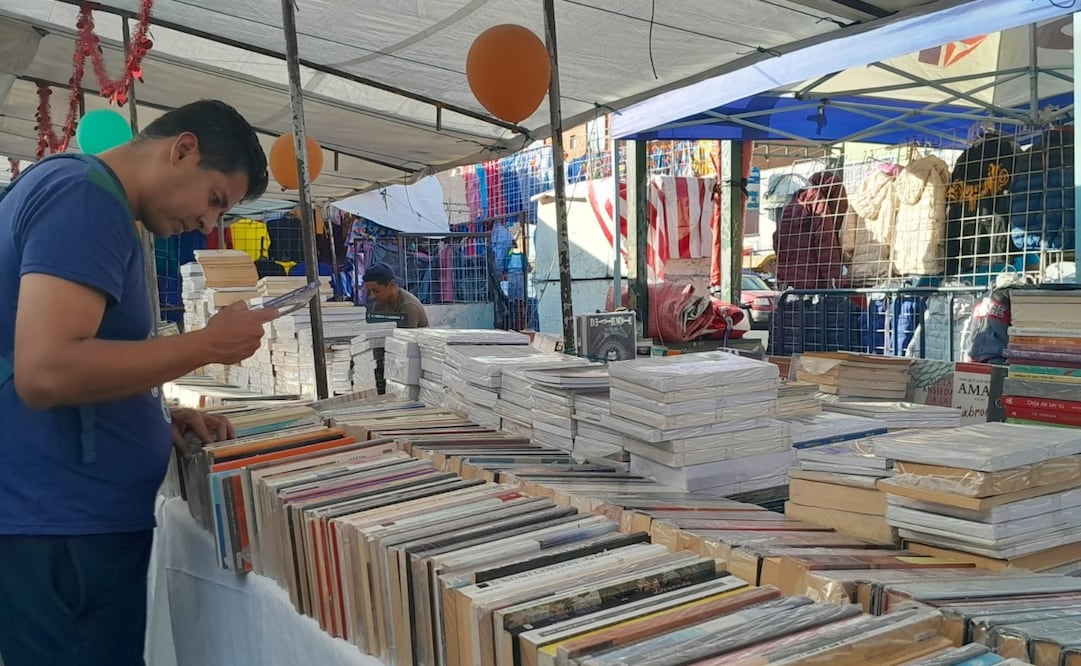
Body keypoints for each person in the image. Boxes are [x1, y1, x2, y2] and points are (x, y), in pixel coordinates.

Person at [0, 100, 278, 666]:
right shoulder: (83, 199)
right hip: (63, 530)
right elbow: (45, 369)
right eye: (215, 200)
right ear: (182, 149)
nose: (208, 223)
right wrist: (206, 344)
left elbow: (73, 352)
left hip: (68, 525)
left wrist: (151, 411)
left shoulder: (79, 192)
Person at [362, 262, 429, 328]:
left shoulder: (408, 306)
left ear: (391, 285)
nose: (372, 296)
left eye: (376, 291)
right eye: (369, 291)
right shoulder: (380, 302)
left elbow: (406, 336)